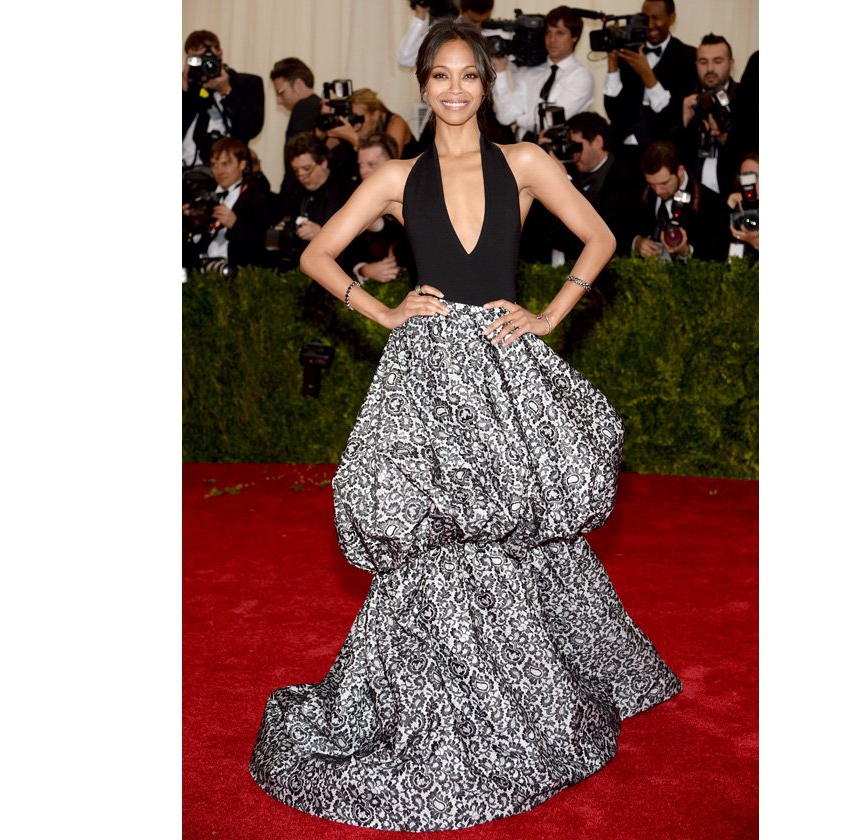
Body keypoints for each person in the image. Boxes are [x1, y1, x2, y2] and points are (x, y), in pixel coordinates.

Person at [249, 20, 681, 833]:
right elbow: (316, 255)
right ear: (423, 85)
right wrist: (382, 310)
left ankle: (535, 673)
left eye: (469, 75)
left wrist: (550, 313)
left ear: (486, 84)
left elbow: (598, 235)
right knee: (432, 531)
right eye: (440, 76)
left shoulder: (524, 162)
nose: (454, 89)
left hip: (503, 363)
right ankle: (444, 680)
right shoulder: (395, 176)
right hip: (426, 373)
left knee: (521, 520)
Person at [601, 0, 699, 164]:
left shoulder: (688, 57)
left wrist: (646, 74)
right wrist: (612, 62)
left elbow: (674, 117)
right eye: (645, 19)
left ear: (672, 18)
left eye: (656, 18)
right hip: (620, 151)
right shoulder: (628, 50)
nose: (650, 25)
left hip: (663, 155)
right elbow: (612, 110)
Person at [545, 111, 644, 260]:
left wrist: (566, 179)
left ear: (597, 142)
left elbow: (600, 217)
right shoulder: (570, 168)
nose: (573, 153)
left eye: (577, 146)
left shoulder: (624, 176)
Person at [491, 6, 594, 142]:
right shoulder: (530, 72)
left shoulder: (581, 76)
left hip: (559, 151)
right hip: (523, 148)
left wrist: (519, 118)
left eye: (560, 33)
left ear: (575, 37)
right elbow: (505, 117)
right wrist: (500, 70)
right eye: (548, 32)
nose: (552, 39)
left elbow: (549, 122)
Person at [182, 137, 280, 270]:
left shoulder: (258, 199)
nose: (219, 171)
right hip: (201, 268)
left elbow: (262, 249)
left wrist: (235, 225)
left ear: (242, 165)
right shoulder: (203, 194)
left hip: (237, 272)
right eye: (214, 165)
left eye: (225, 164)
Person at [679, 34, 746, 213]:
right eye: (703, 62)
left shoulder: (747, 98)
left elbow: (753, 152)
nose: (710, 69)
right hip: (693, 202)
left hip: (734, 196)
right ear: (695, 65)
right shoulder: (686, 99)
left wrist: (726, 138)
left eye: (717, 61)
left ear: (731, 64)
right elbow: (672, 156)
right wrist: (683, 120)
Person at [181, 30, 266, 169]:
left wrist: (226, 91)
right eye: (196, 60)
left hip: (228, 171)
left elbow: (251, 129)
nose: (203, 64)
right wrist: (184, 92)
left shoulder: (248, 83)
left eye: (206, 58)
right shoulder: (188, 87)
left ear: (219, 53)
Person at [339, 133, 416, 285]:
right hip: (370, 290)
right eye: (360, 165)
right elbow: (343, 252)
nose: (363, 171)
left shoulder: (414, 195)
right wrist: (363, 270)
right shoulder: (354, 199)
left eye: (371, 164)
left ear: (392, 163)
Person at [272, 132, 354, 265]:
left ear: (323, 162)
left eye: (306, 168)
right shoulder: (294, 190)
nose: (301, 176)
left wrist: (322, 234)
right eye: (296, 170)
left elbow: (356, 242)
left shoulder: (346, 191)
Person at [628, 139, 716, 262]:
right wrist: (637, 242)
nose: (658, 191)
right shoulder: (637, 189)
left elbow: (716, 253)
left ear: (680, 171)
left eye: (664, 183)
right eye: (652, 184)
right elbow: (621, 227)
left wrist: (686, 251)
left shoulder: (710, 202)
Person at [322, 88, 417, 158]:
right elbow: (323, 151)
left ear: (375, 115)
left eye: (358, 118)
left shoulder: (396, 123)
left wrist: (354, 139)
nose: (355, 124)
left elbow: (389, 163)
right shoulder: (354, 126)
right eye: (352, 118)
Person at [397, 0, 493, 69]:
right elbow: (406, 60)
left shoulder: (495, 35)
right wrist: (420, 16)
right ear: (461, 10)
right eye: (473, 21)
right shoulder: (443, 31)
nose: (478, 26)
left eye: (484, 20)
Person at [269, 57, 321, 138]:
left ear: (298, 85)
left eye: (281, 92)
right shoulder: (320, 108)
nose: (278, 101)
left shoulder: (303, 107)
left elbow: (297, 146)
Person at [726, 151, 759, 260]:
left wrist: (757, 243)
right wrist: (729, 207)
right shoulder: (738, 208)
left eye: (753, 176)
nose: (749, 183)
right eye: (744, 177)